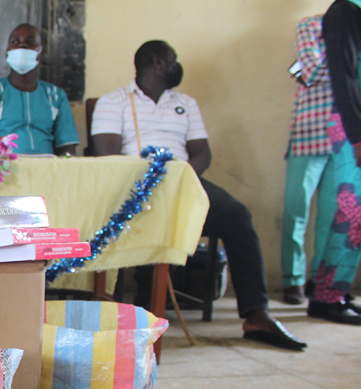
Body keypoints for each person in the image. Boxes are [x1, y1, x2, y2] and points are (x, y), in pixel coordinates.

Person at [91, 40, 307, 350]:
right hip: (136, 186)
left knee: (237, 215)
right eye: (172, 60)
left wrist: (183, 178)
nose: (176, 65)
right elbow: (106, 155)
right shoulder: (114, 102)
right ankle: (145, 311)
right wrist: (149, 181)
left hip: (184, 179)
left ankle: (257, 315)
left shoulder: (186, 103)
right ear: (157, 63)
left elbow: (202, 153)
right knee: (155, 218)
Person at [310, 1, 361, 324]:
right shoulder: (344, 10)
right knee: (353, 210)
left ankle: (335, 292)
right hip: (351, 124)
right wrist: (357, 135)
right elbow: (343, 75)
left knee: (353, 212)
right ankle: (327, 298)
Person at [280, 16, 335, 306]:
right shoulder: (311, 26)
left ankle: (321, 280)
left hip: (347, 139)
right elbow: (312, 68)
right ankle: (293, 280)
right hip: (309, 132)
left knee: (332, 217)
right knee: (295, 212)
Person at [0, 24, 78, 156]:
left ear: (41, 52)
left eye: (30, 42)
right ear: (7, 53)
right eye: (15, 42)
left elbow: (67, 147)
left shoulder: (56, 95)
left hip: (49, 167)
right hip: (6, 169)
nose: (22, 46)